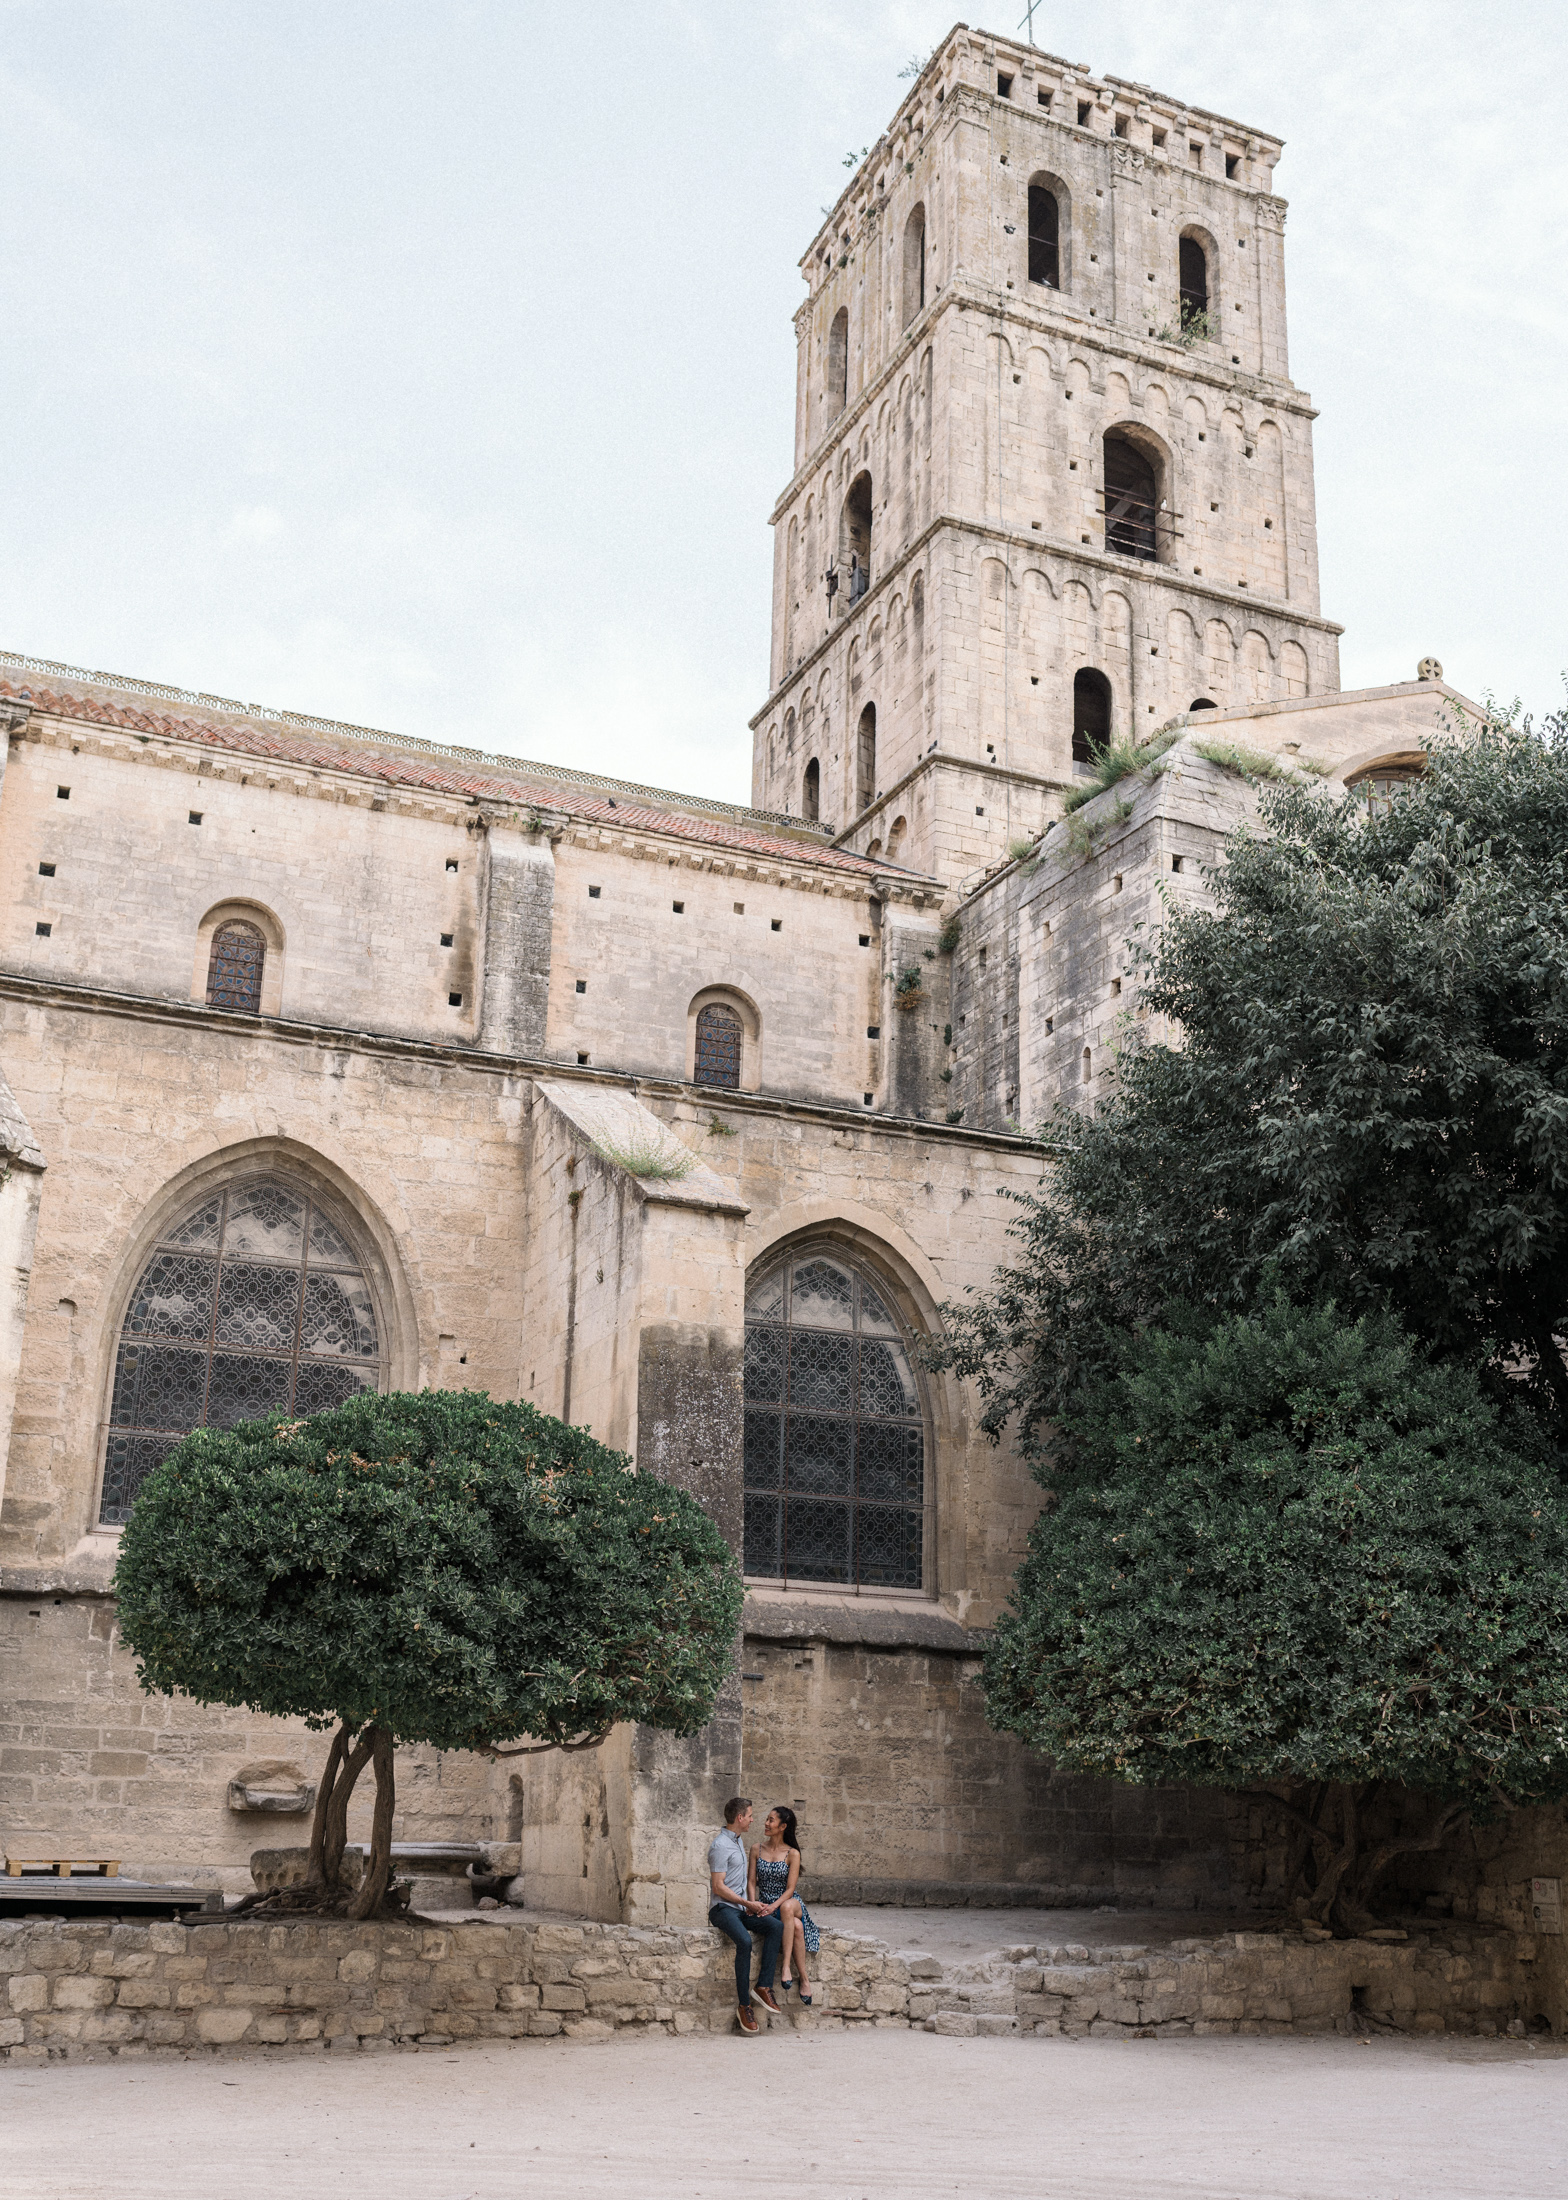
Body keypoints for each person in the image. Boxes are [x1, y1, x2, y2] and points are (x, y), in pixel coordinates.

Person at [707, 1796, 783, 2034]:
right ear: (739, 1818)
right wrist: (745, 1902)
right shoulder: (720, 1846)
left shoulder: (738, 1840)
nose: (752, 1819)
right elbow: (718, 1887)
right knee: (745, 1941)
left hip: (740, 1908)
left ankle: (762, 1986)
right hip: (722, 1909)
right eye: (749, 1815)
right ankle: (744, 2006)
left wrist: (750, 1905)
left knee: (775, 1927)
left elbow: (739, 1882)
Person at [748, 1805, 820, 2004]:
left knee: (788, 1907)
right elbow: (751, 1881)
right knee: (796, 1927)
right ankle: (804, 1980)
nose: (766, 1823)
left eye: (771, 1820)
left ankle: (786, 1966)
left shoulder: (793, 1853)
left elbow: (790, 1889)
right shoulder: (756, 1848)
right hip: (765, 1904)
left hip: (788, 1902)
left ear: (783, 1826)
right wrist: (753, 1903)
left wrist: (773, 1907)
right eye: (767, 1819)